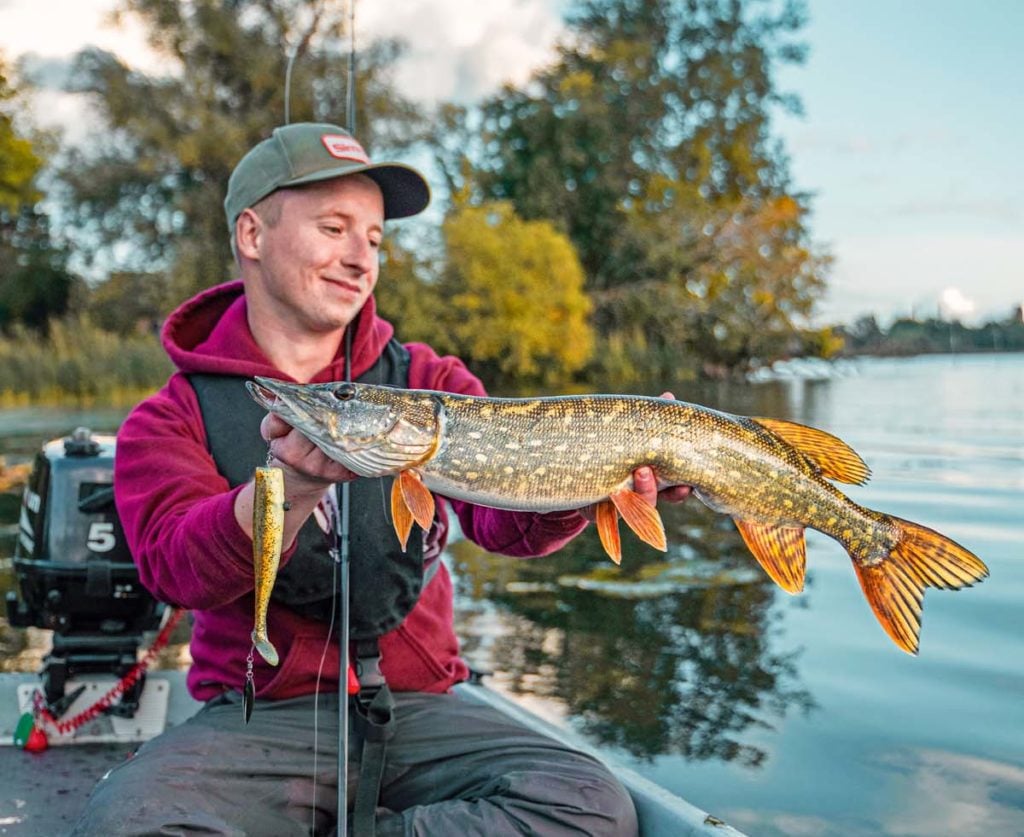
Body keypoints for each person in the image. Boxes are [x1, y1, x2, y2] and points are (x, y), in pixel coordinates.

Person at [72, 122, 689, 836]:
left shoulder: (431, 380)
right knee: (128, 823)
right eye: (334, 227)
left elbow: (506, 527)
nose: (359, 257)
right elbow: (175, 569)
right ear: (252, 234)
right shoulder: (169, 416)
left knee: (591, 806)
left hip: (421, 703)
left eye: (374, 238)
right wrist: (287, 491)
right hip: (260, 717)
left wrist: (588, 480)